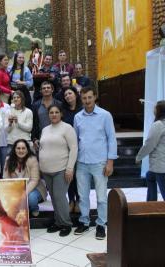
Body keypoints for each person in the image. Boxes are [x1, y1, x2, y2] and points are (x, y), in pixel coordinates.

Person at [73, 86, 117, 240]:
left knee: (101, 197)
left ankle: (101, 224)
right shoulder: (77, 117)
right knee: (83, 196)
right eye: (84, 98)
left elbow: (112, 139)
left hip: (100, 162)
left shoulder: (105, 115)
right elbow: (75, 141)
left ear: (95, 97)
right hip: (82, 162)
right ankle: (84, 222)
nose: (87, 101)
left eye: (89, 98)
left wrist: (110, 162)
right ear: (81, 99)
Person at [39, 104, 78, 236]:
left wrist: (70, 168)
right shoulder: (45, 129)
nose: (54, 114)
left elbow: (74, 148)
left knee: (60, 197)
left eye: (56, 112)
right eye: (51, 112)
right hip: (46, 170)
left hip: (61, 169)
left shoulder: (67, 128)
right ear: (48, 115)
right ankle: (58, 222)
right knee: (54, 198)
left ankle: (66, 224)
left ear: (61, 114)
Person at [3, 139, 47, 217]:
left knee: (31, 197)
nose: (21, 151)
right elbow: (6, 178)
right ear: (14, 149)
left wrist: (23, 193)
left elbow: (34, 180)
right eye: (18, 148)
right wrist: (13, 192)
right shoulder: (8, 159)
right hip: (16, 189)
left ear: (27, 149)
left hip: (35, 189)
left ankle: (34, 209)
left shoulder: (32, 159)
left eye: (23, 148)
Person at [136, 100, 165, 201]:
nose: (153, 110)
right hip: (159, 166)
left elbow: (149, 144)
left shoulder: (158, 125)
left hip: (161, 166)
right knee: (149, 176)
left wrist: (139, 157)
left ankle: (151, 205)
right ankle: (151, 204)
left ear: (159, 111)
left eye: (155, 108)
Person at [62, 87, 83, 212]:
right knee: (69, 175)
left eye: (70, 93)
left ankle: (79, 200)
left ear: (76, 94)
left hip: (81, 147)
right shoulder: (63, 112)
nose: (68, 96)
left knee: (79, 176)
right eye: (65, 95)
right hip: (67, 148)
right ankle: (71, 200)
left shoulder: (82, 110)